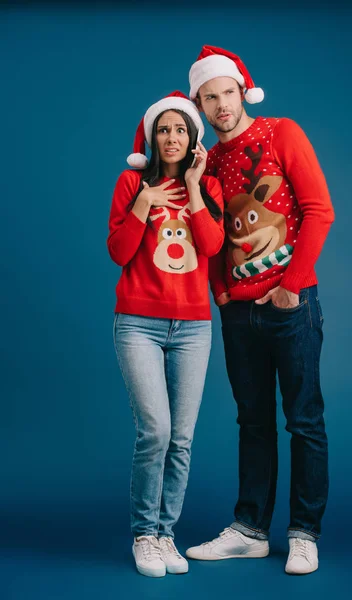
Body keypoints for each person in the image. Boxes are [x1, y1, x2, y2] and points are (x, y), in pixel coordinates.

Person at [185, 46, 335, 575]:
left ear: (242, 91)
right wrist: (220, 294)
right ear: (200, 104)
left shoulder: (281, 133)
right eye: (210, 97)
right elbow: (208, 235)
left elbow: (319, 209)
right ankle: (250, 529)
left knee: (304, 420)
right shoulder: (207, 160)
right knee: (252, 422)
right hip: (238, 312)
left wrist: (293, 286)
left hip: (292, 306)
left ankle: (302, 533)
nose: (222, 105)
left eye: (228, 92)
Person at [107, 91, 224, 578]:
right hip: (138, 322)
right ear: (152, 137)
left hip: (194, 326)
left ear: (192, 137)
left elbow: (213, 244)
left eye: (180, 129)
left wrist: (194, 189)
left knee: (182, 437)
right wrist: (144, 203)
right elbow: (118, 251)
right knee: (154, 430)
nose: (171, 137)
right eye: (163, 129)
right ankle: (143, 535)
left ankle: (166, 534)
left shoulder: (209, 186)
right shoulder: (131, 182)